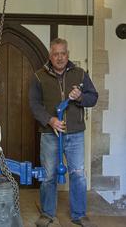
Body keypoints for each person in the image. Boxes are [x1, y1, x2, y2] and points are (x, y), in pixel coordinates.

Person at [29, 38, 98, 227]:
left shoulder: (80, 74)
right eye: (55, 54)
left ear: (68, 54)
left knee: (78, 174)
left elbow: (93, 98)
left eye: (63, 53)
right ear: (50, 56)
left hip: (75, 134)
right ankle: (47, 214)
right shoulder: (38, 76)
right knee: (48, 175)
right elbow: (34, 105)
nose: (59, 57)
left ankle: (79, 215)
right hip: (49, 134)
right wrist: (50, 120)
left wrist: (81, 97)